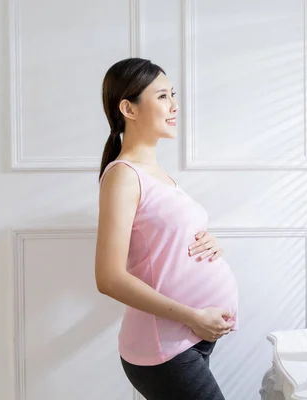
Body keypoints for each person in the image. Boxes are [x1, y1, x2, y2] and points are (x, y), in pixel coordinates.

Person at [94, 57, 239, 400]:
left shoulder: (158, 175)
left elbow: (164, 245)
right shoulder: (123, 176)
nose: (174, 105)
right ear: (128, 108)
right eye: (162, 96)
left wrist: (211, 245)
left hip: (190, 337)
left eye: (172, 95)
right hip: (165, 346)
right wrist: (193, 316)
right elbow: (108, 278)